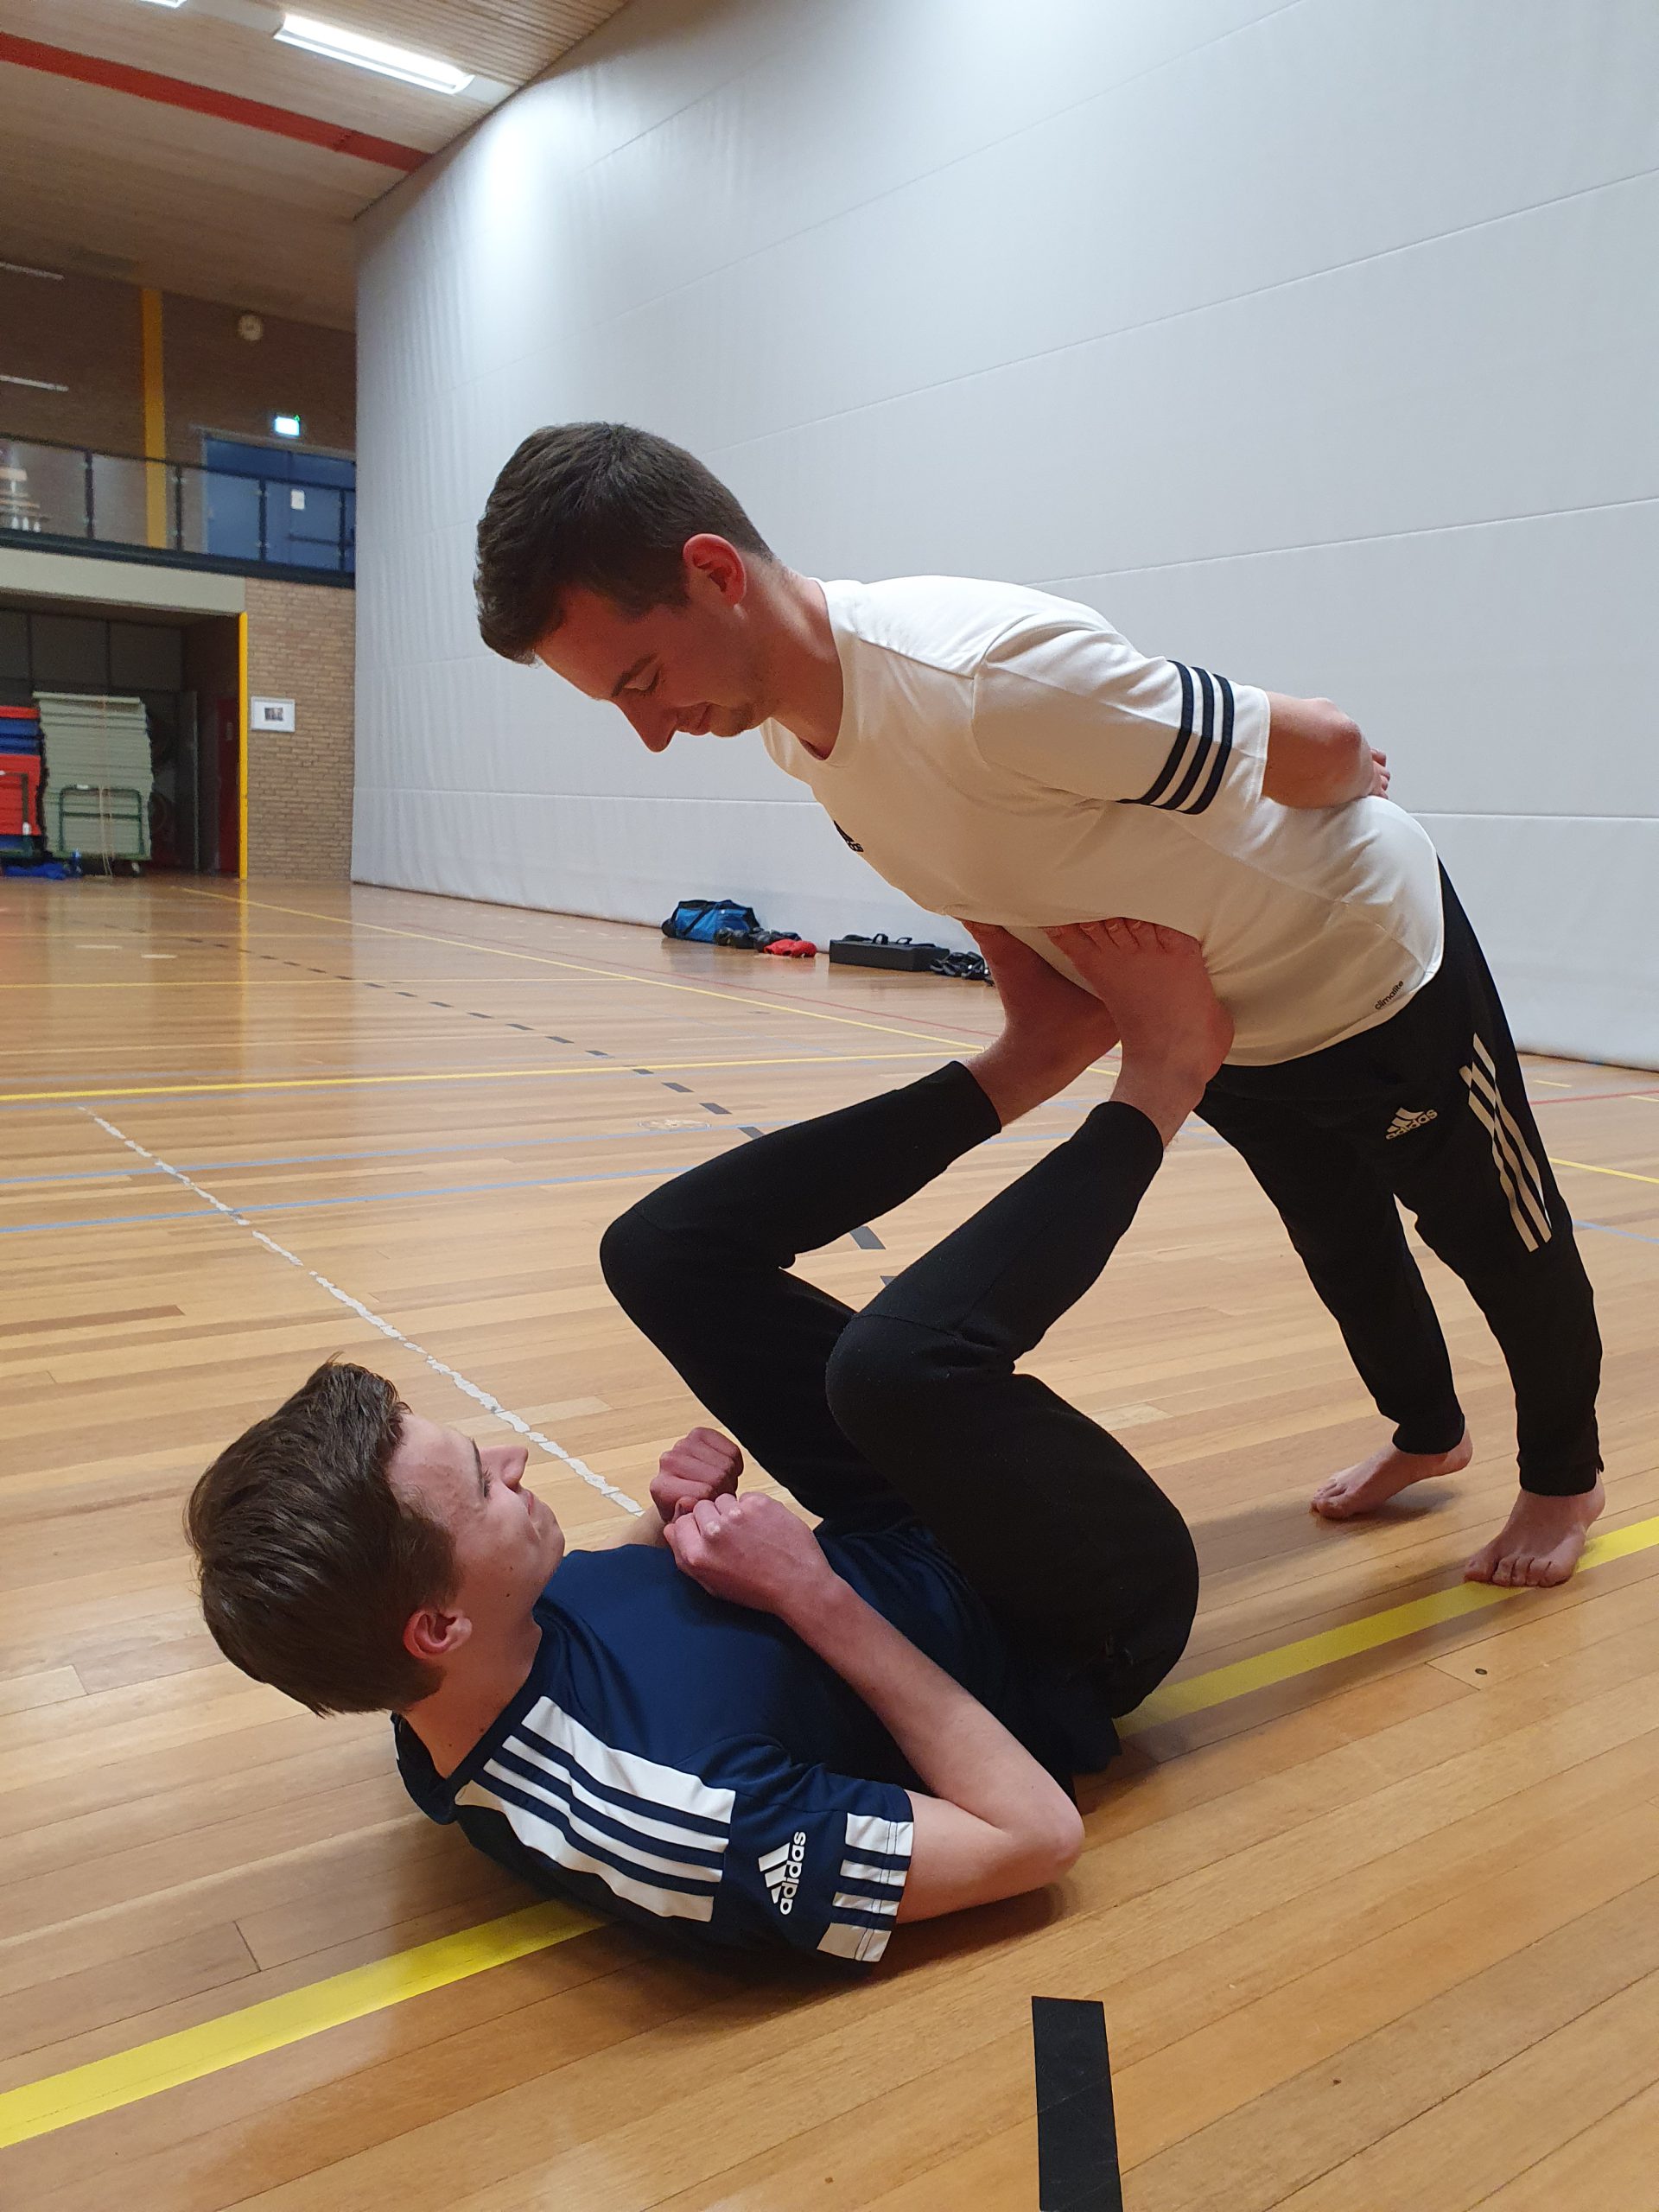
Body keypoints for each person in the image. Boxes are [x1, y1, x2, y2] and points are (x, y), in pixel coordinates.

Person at [473, 421, 1605, 1589]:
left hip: (1374, 971)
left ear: (714, 573)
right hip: (1218, 1019)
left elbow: (1325, 743)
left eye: (643, 682)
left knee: (1497, 1232)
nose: (652, 734)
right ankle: (1430, 1434)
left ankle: (1565, 1478)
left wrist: (1351, 774)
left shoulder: (987, 681)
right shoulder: (797, 741)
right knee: (1339, 1237)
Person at [186, 931, 1217, 1967]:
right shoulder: (672, 1823)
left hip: (891, 1537)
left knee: (660, 1254)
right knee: (894, 1370)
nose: (513, 1462)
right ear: (439, 1625)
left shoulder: (437, 1666)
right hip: (1078, 1621)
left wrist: (663, 1521)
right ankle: (1167, 1074)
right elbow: (1032, 1839)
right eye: (481, 1487)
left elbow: (622, 1641)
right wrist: (811, 1593)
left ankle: (1031, 1058)